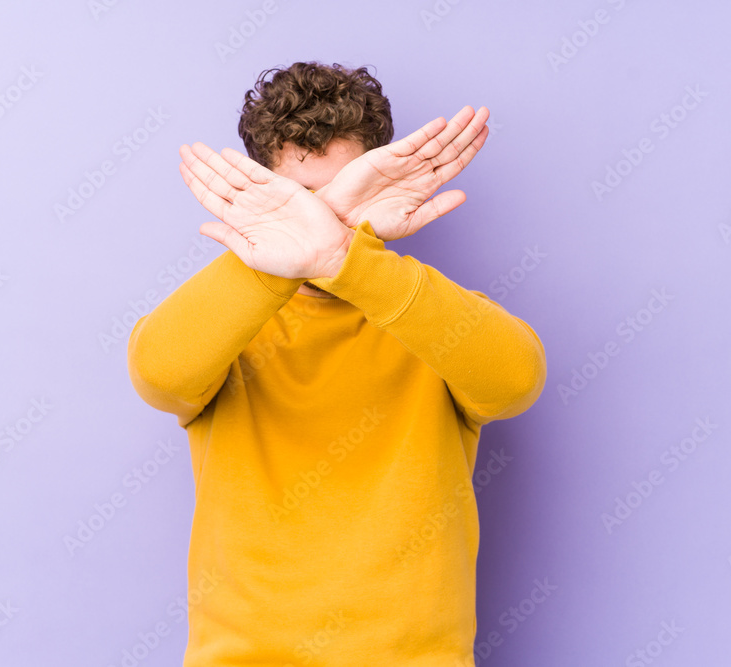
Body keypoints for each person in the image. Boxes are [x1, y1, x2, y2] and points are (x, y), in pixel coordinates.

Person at [126, 61, 546, 666]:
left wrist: (348, 257)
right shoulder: (224, 325)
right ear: (256, 193)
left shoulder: (432, 317)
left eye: (341, 196)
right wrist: (272, 255)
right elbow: (159, 374)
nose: (319, 221)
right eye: (298, 201)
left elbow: (515, 382)